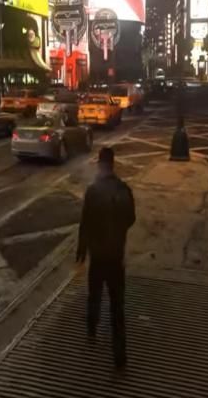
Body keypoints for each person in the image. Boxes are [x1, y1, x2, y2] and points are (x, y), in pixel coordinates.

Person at [76, 147, 136, 369]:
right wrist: (118, 231)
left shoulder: (93, 190)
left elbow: (85, 222)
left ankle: (91, 331)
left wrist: (82, 249)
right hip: (116, 255)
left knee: (94, 295)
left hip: (98, 254)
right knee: (117, 305)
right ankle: (120, 356)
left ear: (100, 165)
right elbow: (131, 218)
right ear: (113, 164)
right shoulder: (123, 189)